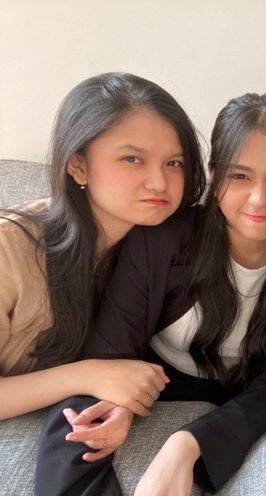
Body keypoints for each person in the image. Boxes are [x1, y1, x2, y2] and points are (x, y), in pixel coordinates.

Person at [35, 93, 266, 496]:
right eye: (239, 176)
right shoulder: (161, 239)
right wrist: (124, 403)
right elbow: (111, 355)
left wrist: (187, 443)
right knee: (76, 421)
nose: (259, 198)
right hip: (152, 382)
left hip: (240, 402)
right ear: (214, 174)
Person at [0, 72, 205, 423]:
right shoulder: (9, 248)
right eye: (133, 159)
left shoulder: (165, 249)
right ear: (78, 165)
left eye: (174, 163)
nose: (159, 182)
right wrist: (84, 375)